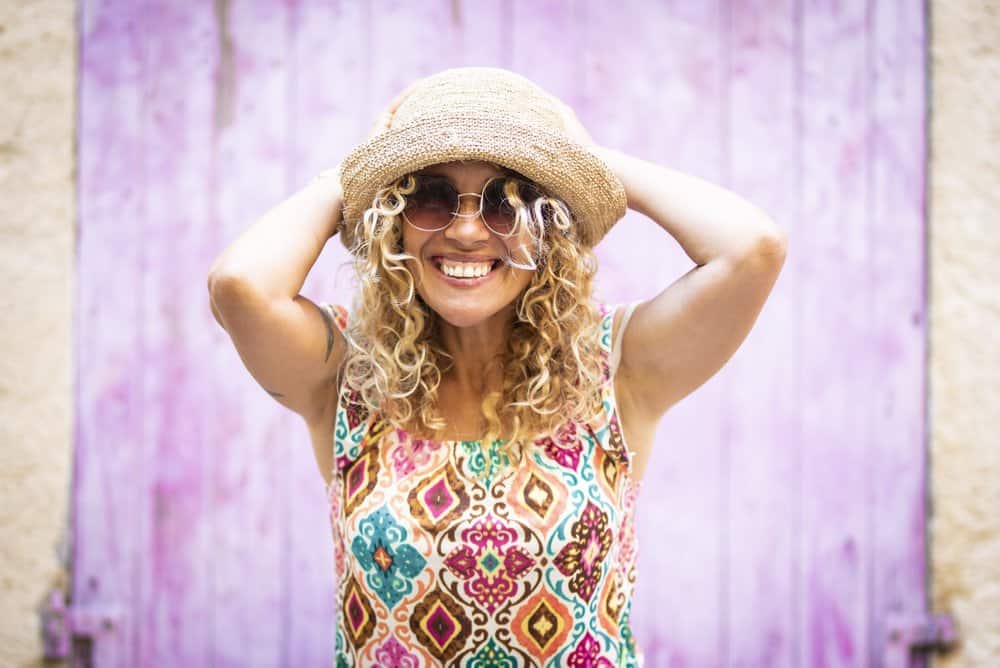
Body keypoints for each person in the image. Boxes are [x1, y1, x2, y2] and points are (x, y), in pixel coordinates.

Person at [207, 67, 786, 667]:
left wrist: (587, 165)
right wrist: (349, 176)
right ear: (394, 221)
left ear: (549, 230)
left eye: (506, 203)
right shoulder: (350, 376)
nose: (463, 230)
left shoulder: (615, 369)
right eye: (430, 196)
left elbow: (752, 249)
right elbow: (239, 285)